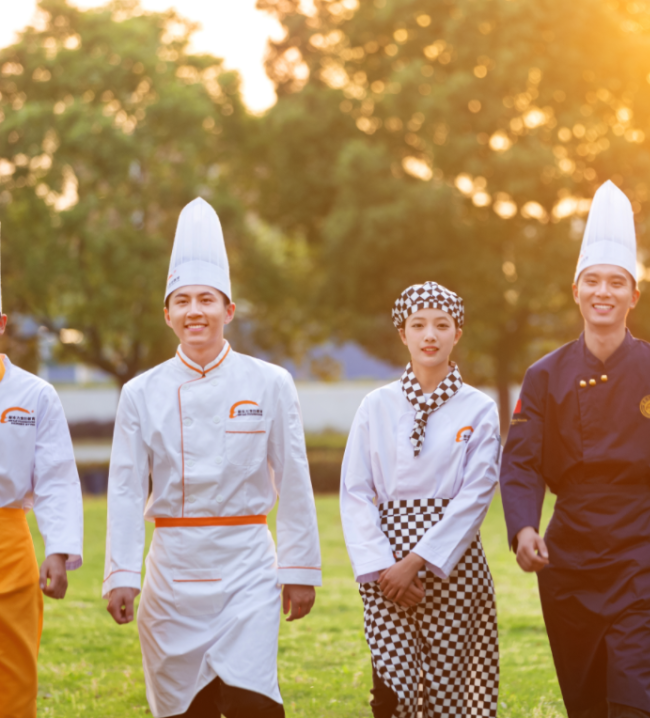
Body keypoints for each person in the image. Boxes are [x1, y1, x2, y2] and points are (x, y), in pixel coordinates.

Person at [500, 181, 650, 718]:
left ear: (634, 295)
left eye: (617, 282)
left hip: (640, 546)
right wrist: (524, 527)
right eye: (593, 281)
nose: (604, 292)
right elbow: (521, 461)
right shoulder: (544, 375)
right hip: (568, 551)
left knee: (633, 696)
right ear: (575, 290)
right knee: (585, 699)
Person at [102, 198, 322, 718]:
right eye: (182, 301)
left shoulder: (270, 382)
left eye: (206, 299)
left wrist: (299, 569)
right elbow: (127, 488)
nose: (194, 311)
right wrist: (121, 574)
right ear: (167, 315)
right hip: (171, 571)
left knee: (253, 702)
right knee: (186, 708)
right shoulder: (140, 392)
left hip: (247, 566)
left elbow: (293, 477)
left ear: (229, 310)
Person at [340, 281, 500, 718]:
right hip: (386, 570)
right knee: (392, 694)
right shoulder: (376, 405)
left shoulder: (479, 408)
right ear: (403, 333)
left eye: (442, 325)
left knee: (452, 694)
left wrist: (417, 561)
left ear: (457, 334)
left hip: (454, 565)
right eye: (419, 325)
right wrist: (384, 567)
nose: (430, 335)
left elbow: (475, 496)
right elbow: (356, 491)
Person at [0, 233, 84, 718]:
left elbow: (56, 477)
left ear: (2, 325)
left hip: (10, 549)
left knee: (15, 678)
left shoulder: (35, 395)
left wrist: (58, 549)